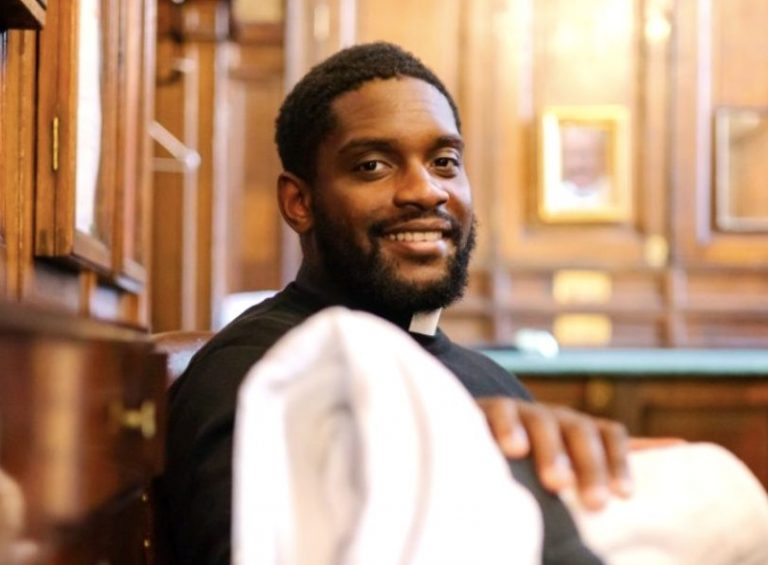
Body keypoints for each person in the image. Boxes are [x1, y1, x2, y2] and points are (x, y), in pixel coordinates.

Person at [163, 42, 632, 564]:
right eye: (372, 166)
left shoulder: (493, 380)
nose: (425, 191)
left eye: (444, 162)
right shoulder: (259, 373)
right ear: (300, 202)